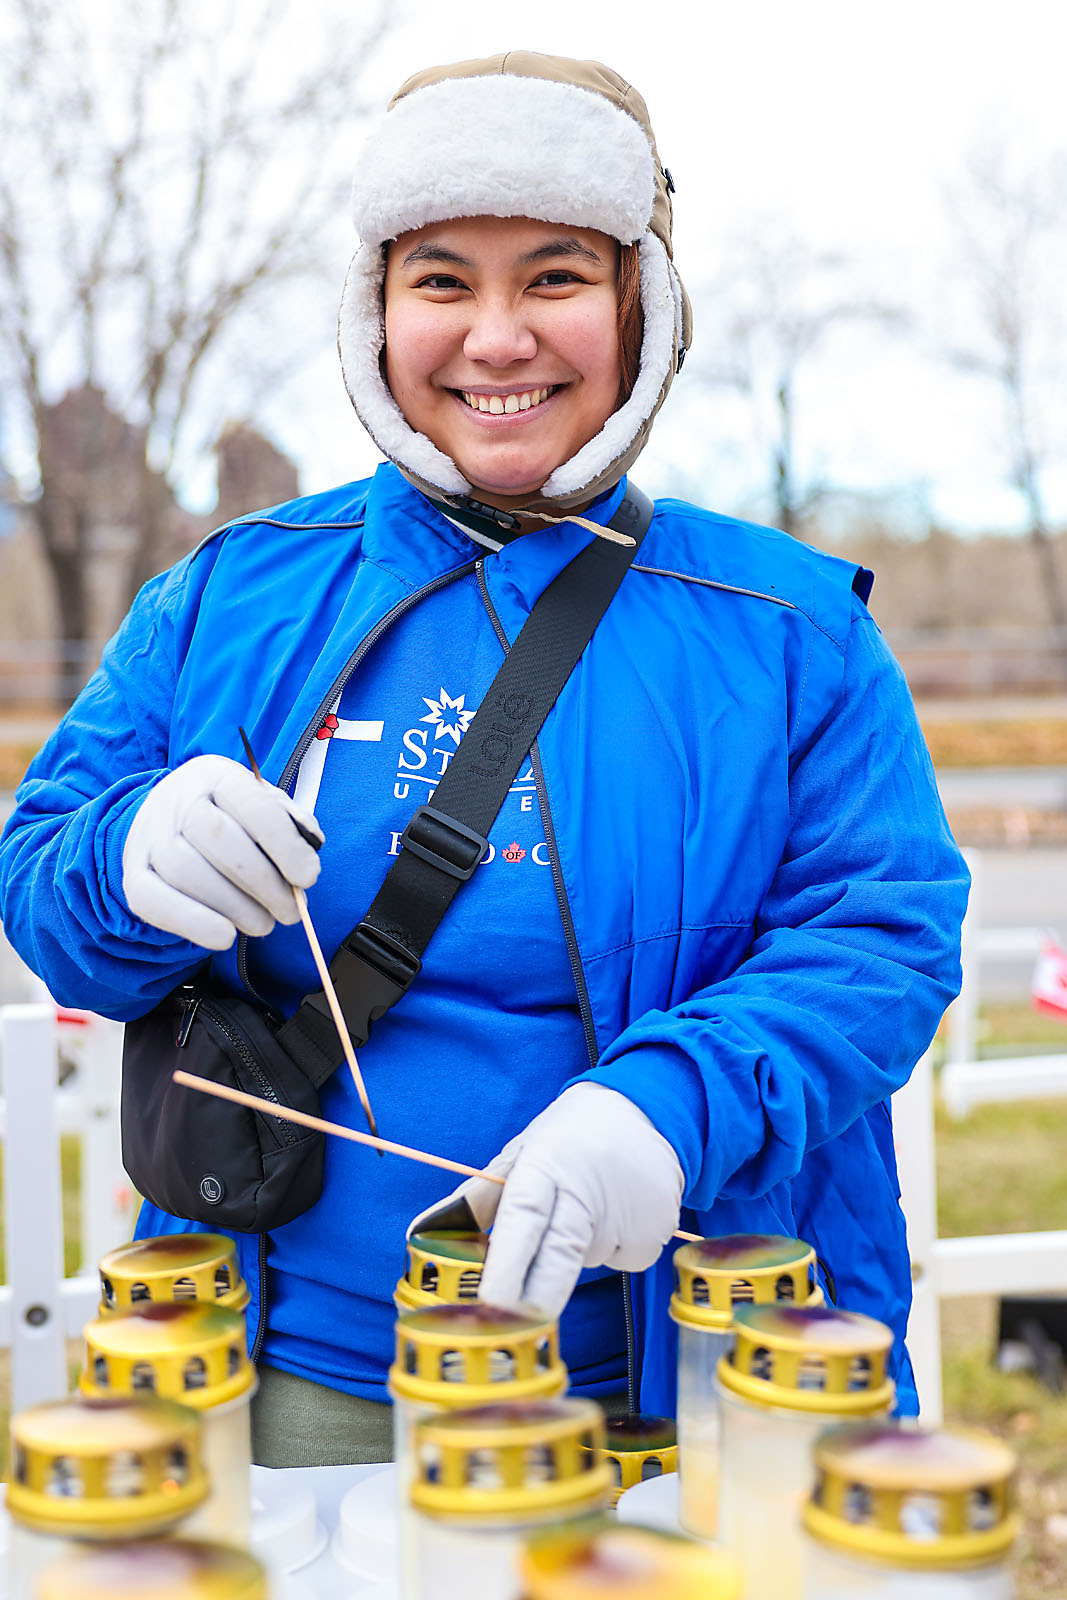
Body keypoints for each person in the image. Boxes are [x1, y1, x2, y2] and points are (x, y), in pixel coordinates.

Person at [0, 52, 968, 1467]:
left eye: (558, 277)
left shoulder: (791, 628)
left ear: (642, 307)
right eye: (442, 280)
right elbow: (45, 889)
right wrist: (122, 858)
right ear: (374, 310)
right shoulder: (231, 596)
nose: (497, 337)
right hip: (288, 1395)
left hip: (698, 1398)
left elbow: (882, 939)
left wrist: (668, 1108)